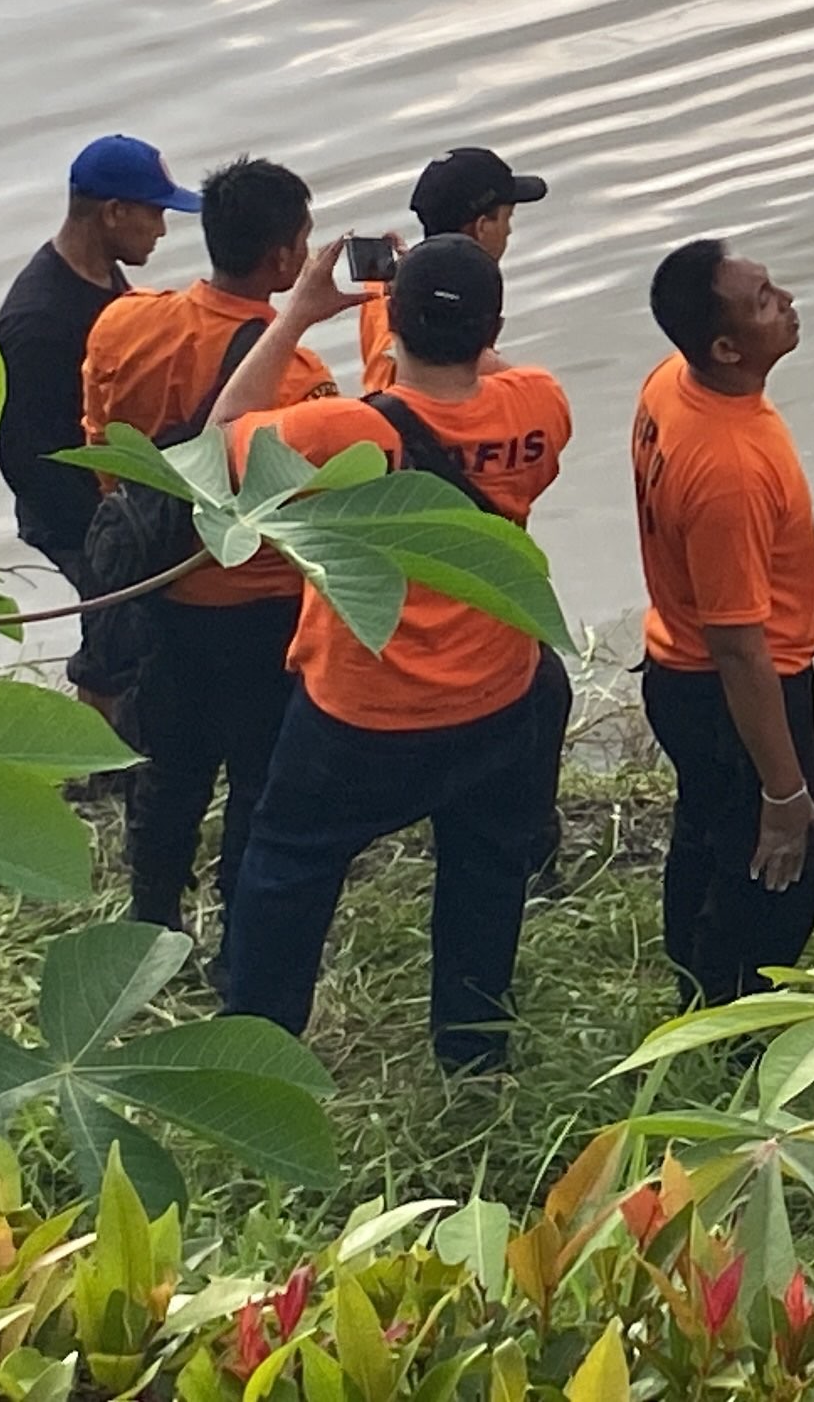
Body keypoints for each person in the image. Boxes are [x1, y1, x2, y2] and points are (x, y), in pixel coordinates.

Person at [211, 234, 574, 1072]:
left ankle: (258, 1058)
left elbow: (223, 434)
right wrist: (454, 312)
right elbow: (497, 375)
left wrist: (300, 311)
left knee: (289, 869)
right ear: (494, 326)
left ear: (391, 322)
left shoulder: (340, 431)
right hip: (497, 693)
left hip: (363, 708)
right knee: (485, 873)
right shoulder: (540, 406)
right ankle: (473, 1054)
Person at [76, 158, 344, 931]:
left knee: (166, 770)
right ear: (288, 260)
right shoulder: (297, 373)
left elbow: (100, 444)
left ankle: (151, 917)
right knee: (260, 777)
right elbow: (311, 503)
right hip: (256, 603)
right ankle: (241, 921)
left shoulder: (123, 322)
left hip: (152, 588)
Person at [634, 239, 814, 1004]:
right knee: (779, 865)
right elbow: (740, 644)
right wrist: (783, 789)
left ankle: (692, 976)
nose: (786, 300)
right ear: (724, 346)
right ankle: (737, 1016)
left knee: (707, 835)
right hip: (732, 688)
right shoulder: (731, 468)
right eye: (763, 302)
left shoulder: (671, 384)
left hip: (676, 668)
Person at [0, 134, 194, 711]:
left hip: (114, 491)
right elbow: (21, 457)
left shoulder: (103, 277)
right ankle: (100, 765)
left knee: (138, 631)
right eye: (154, 213)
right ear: (114, 213)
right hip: (71, 508)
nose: (160, 229)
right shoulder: (39, 321)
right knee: (116, 630)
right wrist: (106, 535)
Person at [358, 146, 547, 394]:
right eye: (506, 218)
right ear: (482, 227)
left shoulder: (380, 291)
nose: (509, 230)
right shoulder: (465, 338)